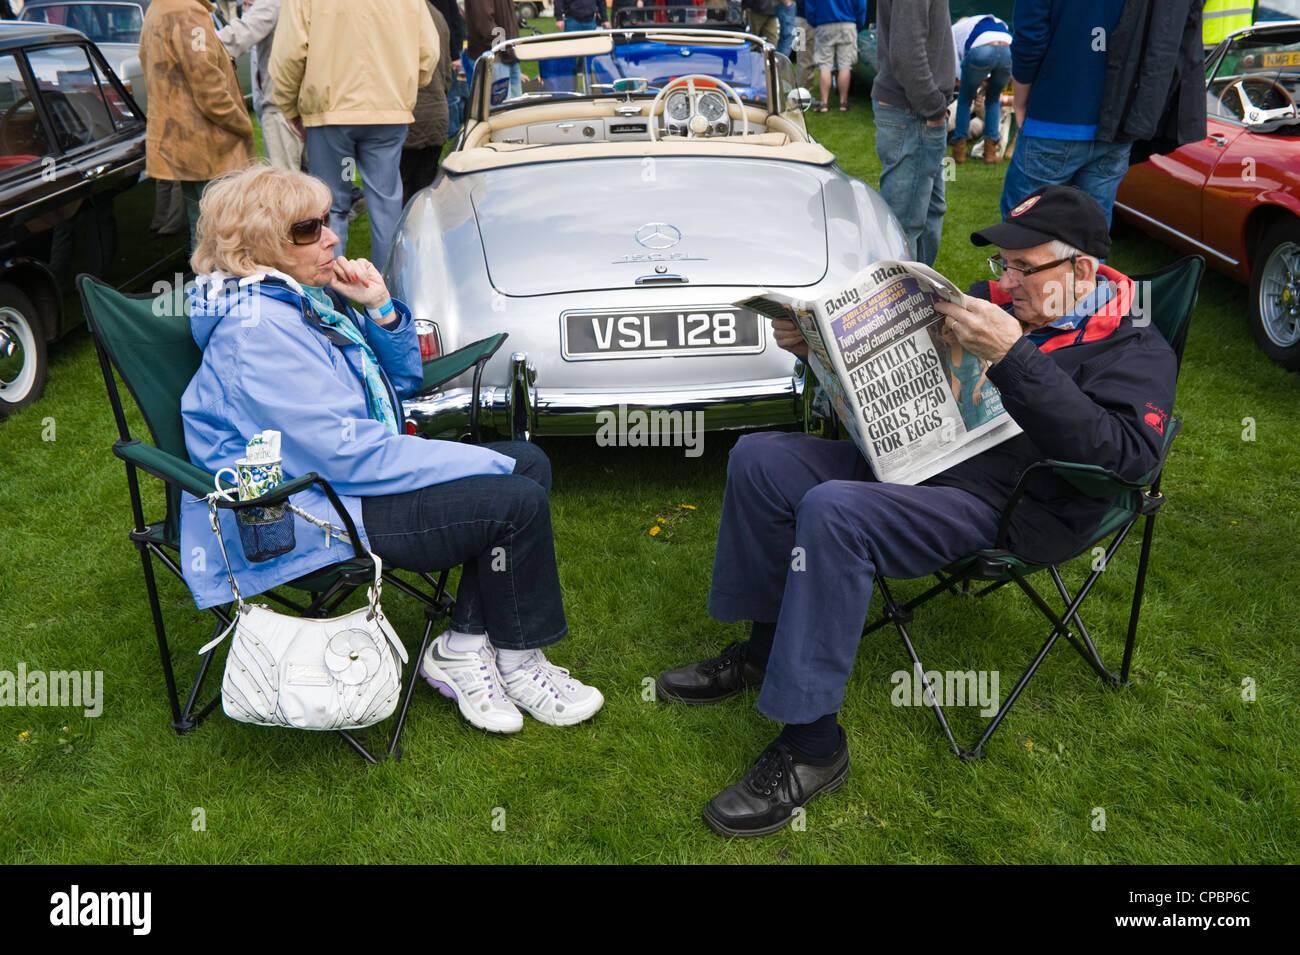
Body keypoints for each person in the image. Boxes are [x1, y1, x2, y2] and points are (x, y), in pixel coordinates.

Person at [656, 186, 1178, 837]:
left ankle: (813, 748)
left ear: (1081, 271)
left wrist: (1014, 357)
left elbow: (1126, 458)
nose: (1004, 282)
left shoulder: (1133, 346)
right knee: (760, 459)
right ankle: (764, 648)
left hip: (1009, 502)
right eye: (1001, 266)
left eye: (1023, 267)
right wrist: (817, 348)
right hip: (918, 457)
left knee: (834, 512)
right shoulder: (985, 306)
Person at [180, 165, 604, 734]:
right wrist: (482, 460)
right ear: (259, 246)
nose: (333, 236)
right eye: (308, 229)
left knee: (529, 465)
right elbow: (350, 457)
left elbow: (396, 384)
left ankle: (469, 642)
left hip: (339, 481)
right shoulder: (260, 332)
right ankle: (519, 659)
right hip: (297, 514)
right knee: (516, 497)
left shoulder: (299, 302)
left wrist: (378, 309)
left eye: (328, 220)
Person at [270, 0, 438, 268]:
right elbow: (428, 52)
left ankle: (332, 296)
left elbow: (288, 54)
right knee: (386, 204)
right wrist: (401, 87)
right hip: (386, 110)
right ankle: (389, 292)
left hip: (330, 111)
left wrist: (289, 105)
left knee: (330, 205)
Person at [999, 0, 1130, 224]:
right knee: (1090, 235)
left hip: (1055, 118)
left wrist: (1020, 99)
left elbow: (1030, 38)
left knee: (1024, 234)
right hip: (1116, 118)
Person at [138, 0, 254, 250]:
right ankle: (213, 288)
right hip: (210, 145)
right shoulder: (187, 10)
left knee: (202, 230)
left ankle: (204, 286)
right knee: (220, 236)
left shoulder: (160, 7)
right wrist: (241, 123)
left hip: (186, 142)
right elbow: (206, 82)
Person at [871, 0, 955, 267]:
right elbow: (907, 52)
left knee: (928, 214)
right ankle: (900, 303)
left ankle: (920, 298)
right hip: (913, 112)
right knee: (904, 227)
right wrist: (933, 108)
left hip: (916, 111)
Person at [217, 0, 303, 173]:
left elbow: (235, 37)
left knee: (284, 184)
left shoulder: (273, 3)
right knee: (322, 181)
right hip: (312, 101)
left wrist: (196, 41)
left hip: (280, 103)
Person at [402, 0, 453, 204]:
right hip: (437, 113)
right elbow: (447, 72)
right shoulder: (437, 16)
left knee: (401, 190)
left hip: (408, 115)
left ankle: (404, 234)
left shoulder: (398, 14)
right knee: (426, 190)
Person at [948, 13, 1011, 165]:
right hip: (1008, 50)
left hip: (981, 51)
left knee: (964, 99)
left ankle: (959, 152)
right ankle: (989, 154)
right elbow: (997, 53)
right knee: (993, 99)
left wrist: (965, 84)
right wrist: (983, 86)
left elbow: (953, 62)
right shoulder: (997, 22)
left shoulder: (954, 30)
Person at [806, 0, 866, 112]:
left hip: (824, 24)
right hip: (848, 24)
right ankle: (843, 103)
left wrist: (815, 22)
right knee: (845, 65)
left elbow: (810, 6)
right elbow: (861, 5)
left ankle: (824, 104)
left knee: (825, 65)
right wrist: (858, 24)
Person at [466, 0, 522, 102]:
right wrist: (503, 46)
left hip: (508, 54)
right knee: (501, 112)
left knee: (517, 109)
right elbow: (484, 22)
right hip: (494, 57)